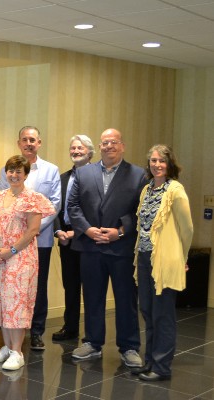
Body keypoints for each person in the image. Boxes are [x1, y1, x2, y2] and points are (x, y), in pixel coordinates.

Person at [67, 128, 147, 368]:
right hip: (90, 247)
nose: (109, 146)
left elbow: (140, 211)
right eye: (104, 142)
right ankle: (92, 342)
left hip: (121, 248)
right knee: (92, 298)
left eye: (113, 142)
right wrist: (88, 229)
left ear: (122, 146)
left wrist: (120, 231)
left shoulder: (138, 175)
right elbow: (73, 205)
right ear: (99, 147)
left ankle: (130, 346)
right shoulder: (83, 173)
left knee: (125, 299)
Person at [0, 155, 55, 371]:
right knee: (1, 302)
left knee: (16, 304)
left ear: (26, 174)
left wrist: (10, 250)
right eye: (10, 171)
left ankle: (18, 351)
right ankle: (7, 346)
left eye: (18, 171)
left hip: (20, 257)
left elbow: (32, 230)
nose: (13, 175)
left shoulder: (33, 198)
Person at [133, 144, 193, 382]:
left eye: (162, 161)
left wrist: (183, 257)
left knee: (163, 314)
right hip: (145, 258)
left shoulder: (176, 190)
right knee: (147, 311)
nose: (157, 165)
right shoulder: (147, 188)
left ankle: (162, 367)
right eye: (153, 160)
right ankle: (149, 361)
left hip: (166, 259)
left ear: (170, 164)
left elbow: (186, 228)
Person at [0, 126, 60, 351]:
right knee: (11, 290)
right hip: (10, 244)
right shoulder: (8, 169)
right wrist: (14, 238)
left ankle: (36, 332)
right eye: (25, 139)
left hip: (39, 239)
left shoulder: (51, 170)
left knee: (37, 288)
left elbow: (54, 205)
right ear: (19, 143)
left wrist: (31, 231)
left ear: (39, 143)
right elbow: (0, 207)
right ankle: (11, 339)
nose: (29, 143)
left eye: (33, 139)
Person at [51, 134, 94, 342]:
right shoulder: (62, 178)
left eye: (81, 148)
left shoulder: (98, 176)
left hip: (87, 238)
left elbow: (96, 211)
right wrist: (59, 231)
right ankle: (70, 328)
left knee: (91, 286)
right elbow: (55, 207)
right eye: (73, 148)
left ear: (90, 152)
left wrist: (77, 232)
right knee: (70, 284)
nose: (76, 151)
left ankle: (92, 332)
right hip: (65, 238)